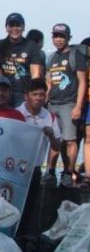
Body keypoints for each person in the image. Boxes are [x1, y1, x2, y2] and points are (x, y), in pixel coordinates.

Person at [45, 23, 88, 187]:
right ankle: (50, 172)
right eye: (55, 36)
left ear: (68, 38)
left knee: (70, 140)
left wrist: (78, 106)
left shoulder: (75, 55)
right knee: (55, 140)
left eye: (62, 36)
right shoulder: (51, 57)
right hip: (53, 104)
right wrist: (46, 98)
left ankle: (69, 172)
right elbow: (49, 81)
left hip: (69, 103)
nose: (58, 39)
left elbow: (82, 82)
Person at [0, 12, 44, 106]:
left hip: (23, 94)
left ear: (23, 28)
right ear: (6, 28)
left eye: (18, 25)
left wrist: (31, 95)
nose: (15, 29)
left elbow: (36, 75)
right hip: (3, 93)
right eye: (11, 25)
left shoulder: (31, 46)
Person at [17, 78, 62, 186]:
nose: (38, 98)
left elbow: (56, 148)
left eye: (41, 94)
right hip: (14, 166)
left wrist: (51, 136)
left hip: (35, 170)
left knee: (32, 202)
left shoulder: (50, 117)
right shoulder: (15, 114)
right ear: (26, 96)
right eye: (34, 94)